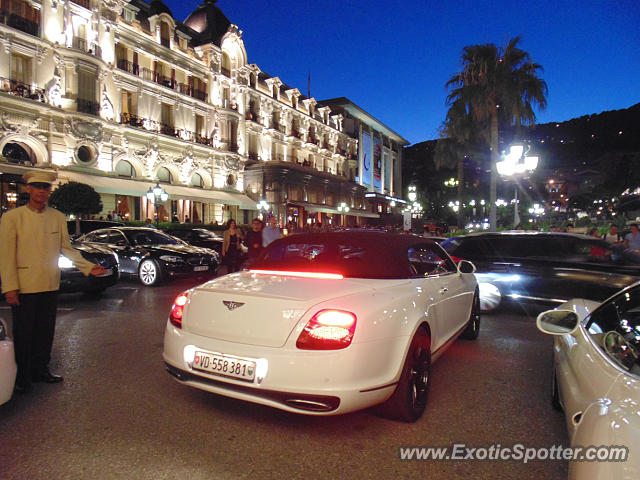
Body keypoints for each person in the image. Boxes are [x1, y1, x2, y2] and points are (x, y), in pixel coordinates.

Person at [0, 171, 108, 394]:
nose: (42, 191)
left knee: (45, 330)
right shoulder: (12, 218)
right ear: (28, 189)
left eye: (46, 187)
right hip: (24, 285)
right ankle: (22, 376)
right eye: (38, 187)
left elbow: (66, 248)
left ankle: (41, 370)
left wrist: (87, 267)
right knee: (24, 332)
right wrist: (10, 287)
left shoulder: (57, 217)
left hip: (50, 283)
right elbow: (6, 255)